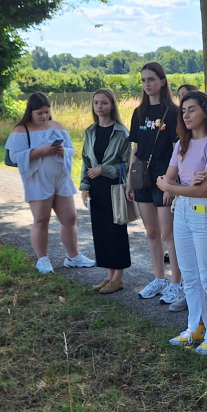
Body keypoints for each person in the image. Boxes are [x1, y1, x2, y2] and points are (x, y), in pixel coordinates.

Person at [157, 91, 207, 354]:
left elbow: (203, 190)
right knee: (189, 275)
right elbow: (165, 180)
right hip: (182, 211)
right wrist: (182, 186)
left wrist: (174, 186)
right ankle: (196, 327)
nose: (186, 115)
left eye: (192, 109)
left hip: (203, 213)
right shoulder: (181, 145)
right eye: (183, 110)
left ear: (206, 112)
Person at [6, 93, 96, 274]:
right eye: (39, 113)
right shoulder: (21, 130)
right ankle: (42, 259)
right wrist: (41, 151)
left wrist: (63, 151)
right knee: (41, 219)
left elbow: (71, 150)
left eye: (47, 112)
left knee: (70, 218)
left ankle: (73, 257)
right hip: (37, 180)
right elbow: (13, 157)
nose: (44, 116)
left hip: (60, 178)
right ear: (30, 111)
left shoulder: (57, 126)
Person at [126, 62, 183, 304]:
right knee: (151, 232)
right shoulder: (139, 112)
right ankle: (159, 278)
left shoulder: (173, 112)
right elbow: (136, 148)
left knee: (168, 233)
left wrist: (171, 183)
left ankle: (176, 282)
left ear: (162, 81)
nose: (147, 84)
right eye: (143, 80)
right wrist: (129, 180)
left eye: (151, 79)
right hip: (142, 177)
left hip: (163, 176)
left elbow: (178, 150)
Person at [80, 89, 133, 294]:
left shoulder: (121, 132)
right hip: (96, 188)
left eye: (104, 103)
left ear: (112, 105)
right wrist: (85, 186)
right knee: (101, 232)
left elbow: (127, 165)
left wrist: (103, 170)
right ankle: (109, 277)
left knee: (115, 232)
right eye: (96, 103)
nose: (99, 106)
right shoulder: (90, 131)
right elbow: (86, 161)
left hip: (114, 188)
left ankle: (118, 279)